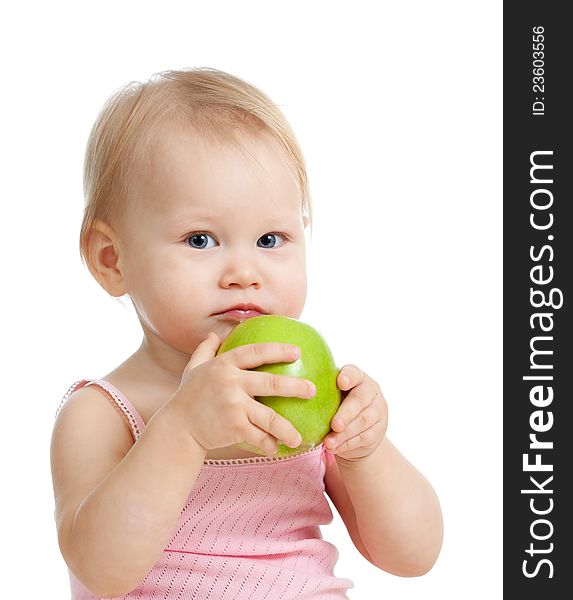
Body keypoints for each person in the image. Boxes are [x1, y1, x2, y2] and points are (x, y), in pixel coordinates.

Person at [50, 67, 443, 599]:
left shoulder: (306, 394)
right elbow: (101, 568)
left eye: (270, 238)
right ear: (112, 259)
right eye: (200, 239)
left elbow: (413, 555)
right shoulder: (103, 414)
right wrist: (183, 430)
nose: (244, 271)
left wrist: (366, 453)